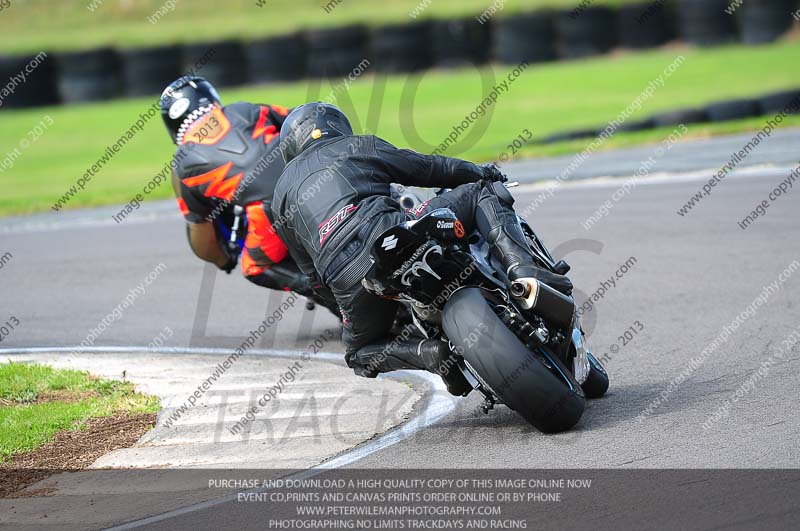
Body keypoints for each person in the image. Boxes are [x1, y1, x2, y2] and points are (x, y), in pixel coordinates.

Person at [271, 103, 573, 395]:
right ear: (336, 126)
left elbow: (311, 275)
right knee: (480, 192)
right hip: (391, 231)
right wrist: (480, 173)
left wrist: (347, 304)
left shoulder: (279, 197)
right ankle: (524, 272)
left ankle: (432, 354)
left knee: (359, 352)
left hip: (347, 279)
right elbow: (427, 168)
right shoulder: (354, 145)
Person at [159, 77, 337, 312]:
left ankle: (340, 300)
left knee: (255, 266)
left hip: (270, 207)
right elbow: (302, 118)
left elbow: (200, 233)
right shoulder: (244, 109)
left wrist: (223, 260)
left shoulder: (182, 165)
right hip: (317, 173)